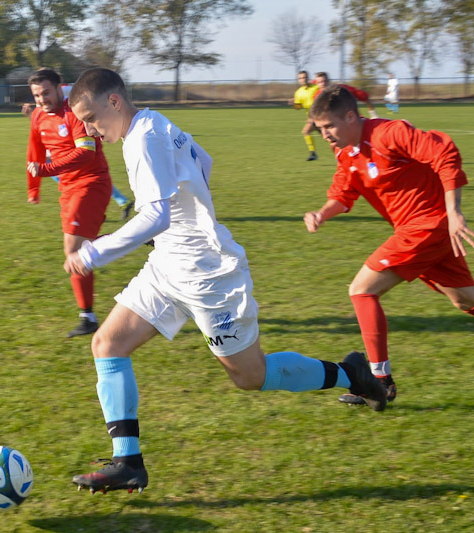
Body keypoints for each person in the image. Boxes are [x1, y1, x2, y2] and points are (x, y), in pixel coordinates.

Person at [65, 68, 388, 494]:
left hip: (205, 275)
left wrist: (92, 252)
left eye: (90, 117)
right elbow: (203, 160)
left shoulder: (141, 139)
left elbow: (155, 215)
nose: (88, 130)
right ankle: (128, 462)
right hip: (168, 265)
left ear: (114, 102)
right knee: (107, 344)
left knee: (249, 376)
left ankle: (352, 375)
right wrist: (191, 219)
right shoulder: (156, 122)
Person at [303, 85, 474, 407]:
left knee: (362, 290)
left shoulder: (388, 134)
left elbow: (444, 150)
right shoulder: (346, 151)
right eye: (320, 128)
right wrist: (321, 213)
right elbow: (343, 191)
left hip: (428, 227)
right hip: (422, 232)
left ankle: (380, 382)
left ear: (351, 116)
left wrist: (454, 211)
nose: (324, 134)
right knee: (465, 299)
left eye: (329, 126)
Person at [26, 68, 113, 337]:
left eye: (46, 92)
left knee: (73, 250)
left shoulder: (74, 114)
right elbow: (35, 151)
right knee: (78, 251)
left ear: (60, 88)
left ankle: (87, 317)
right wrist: (34, 188)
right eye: (37, 95)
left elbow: (86, 154)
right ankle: (87, 315)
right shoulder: (39, 116)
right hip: (68, 187)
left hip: (91, 182)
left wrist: (46, 171)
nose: (41, 100)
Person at [22, 95, 134, 220]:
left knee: (78, 175)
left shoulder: (65, 101)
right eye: (36, 95)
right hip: (54, 145)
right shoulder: (45, 103)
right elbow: (43, 121)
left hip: (68, 147)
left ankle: (116, 202)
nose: (41, 98)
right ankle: (117, 202)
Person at [289, 70, 321, 161]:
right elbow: (298, 107)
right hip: (311, 118)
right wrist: (294, 104)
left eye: (305, 77)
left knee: (330, 138)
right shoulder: (298, 92)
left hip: (321, 116)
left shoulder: (316, 88)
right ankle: (313, 153)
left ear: (308, 78)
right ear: (299, 80)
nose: (303, 79)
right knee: (306, 132)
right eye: (301, 78)